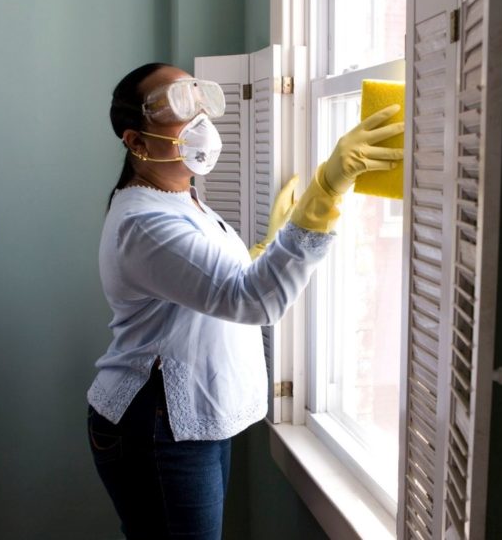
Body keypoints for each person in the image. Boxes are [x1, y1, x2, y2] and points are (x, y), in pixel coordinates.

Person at [86, 62, 403, 539]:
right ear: (136, 142)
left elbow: (207, 282)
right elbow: (253, 301)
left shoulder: (178, 197)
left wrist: (268, 245)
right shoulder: (144, 222)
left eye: (197, 97)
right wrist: (326, 190)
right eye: (176, 106)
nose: (198, 119)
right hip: (157, 423)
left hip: (185, 418)